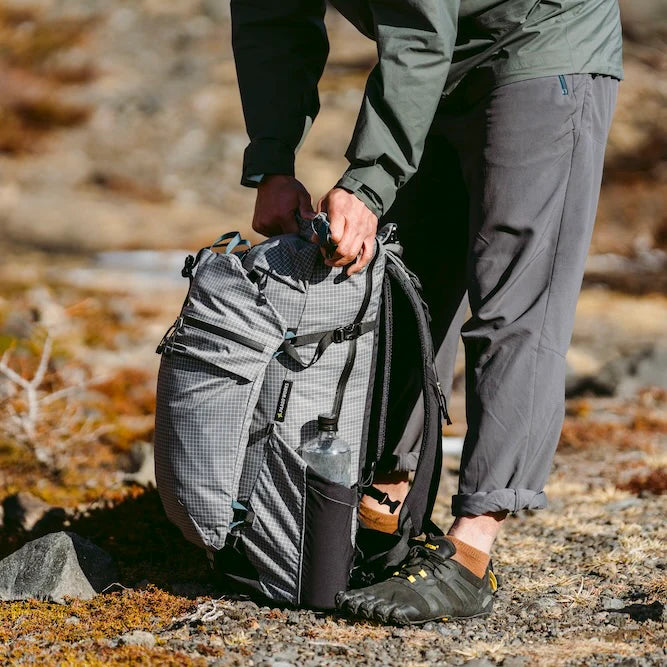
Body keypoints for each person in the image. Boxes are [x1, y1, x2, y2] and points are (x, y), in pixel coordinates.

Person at [230, 0, 623, 624]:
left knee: (513, 303)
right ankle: (385, 508)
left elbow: (419, 25)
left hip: (542, 37)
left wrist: (367, 182)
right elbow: (271, 19)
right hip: (436, 58)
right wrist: (273, 164)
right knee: (404, 286)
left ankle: (471, 550)